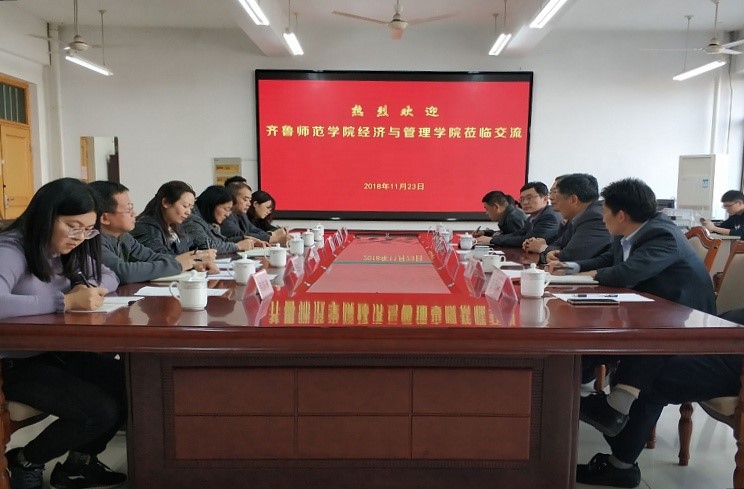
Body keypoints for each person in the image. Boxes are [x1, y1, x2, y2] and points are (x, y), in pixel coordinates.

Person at [547, 178, 716, 438]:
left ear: (621, 215)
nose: (602, 218)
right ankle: (564, 402)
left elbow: (628, 272)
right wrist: (573, 267)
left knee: (621, 338)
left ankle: (603, 409)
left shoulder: (662, 234)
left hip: (685, 317)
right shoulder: (628, 231)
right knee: (579, 341)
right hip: (648, 310)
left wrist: (589, 275)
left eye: (605, 212)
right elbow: (610, 259)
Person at [0, 178, 127, 489]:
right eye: (73, 226)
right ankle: (26, 460)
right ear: (47, 217)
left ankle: (78, 466)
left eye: (88, 230)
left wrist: (89, 287)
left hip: (54, 352)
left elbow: (110, 276)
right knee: (98, 410)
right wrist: (66, 302)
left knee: (131, 384)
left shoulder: (66, 248)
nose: (80, 237)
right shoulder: (12, 249)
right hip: (13, 364)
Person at [577, 353, 741, 488]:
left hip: (735, 362)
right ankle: (620, 453)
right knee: (656, 344)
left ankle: (613, 409)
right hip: (729, 345)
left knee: (651, 367)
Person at [89, 181, 215, 283]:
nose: (134, 213)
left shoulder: (124, 237)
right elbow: (123, 272)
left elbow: (151, 256)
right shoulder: (93, 240)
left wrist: (191, 262)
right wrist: (178, 264)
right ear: (105, 218)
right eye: (128, 209)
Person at [529, 173, 611, 263]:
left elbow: (570, 257)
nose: (552, 199)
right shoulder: (579, 216)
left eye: (558, 198)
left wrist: (543, 249)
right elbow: (558, 244)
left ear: (573, 200)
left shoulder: (594, 217)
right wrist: (551, 251)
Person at [131, 181, 215, 263]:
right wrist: (197, 258)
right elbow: (159, 260)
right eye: (185, 206)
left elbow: (189, 246)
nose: (188, 212)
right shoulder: (146, 227)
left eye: (191, 208)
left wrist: (202, 254)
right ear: (165, 202)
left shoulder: (173, 226)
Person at [475, 182, 561, 247]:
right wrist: (491, 238)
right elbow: (517, 234)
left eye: (529, 198)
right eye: (522, 199)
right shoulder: (533, 216)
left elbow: (527, 240)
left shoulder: (549, 217)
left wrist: (492, 240)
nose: (525, 202)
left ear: (545, 199)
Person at [182, 185, 256, 254]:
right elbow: (206, 246)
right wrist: (238, 246)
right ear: (212, 205)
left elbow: (219, 242)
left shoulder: (207, 218)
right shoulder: (191, 220)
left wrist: (241, 238)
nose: (228, 214)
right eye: (226, 209)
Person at [220, 181, 270, 245]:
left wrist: (269, 236)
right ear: (232, 198)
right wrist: (270, 238)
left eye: (249, 200)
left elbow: (254, 230)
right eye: (245, 199)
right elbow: (241, 235)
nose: (249, 204)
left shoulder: (242, 214)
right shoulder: (225, 216)